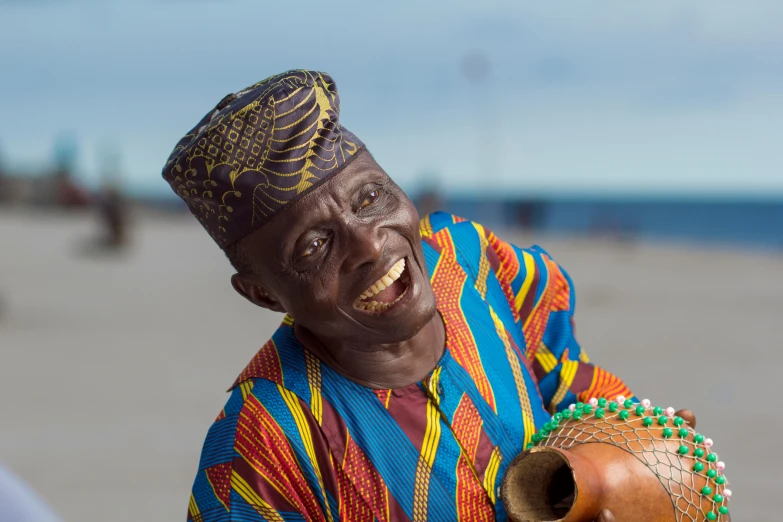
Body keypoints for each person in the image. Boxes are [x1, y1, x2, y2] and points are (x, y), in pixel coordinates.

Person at [162, 70, 694, 521]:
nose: (370, 243)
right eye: (315, 245)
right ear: (262, 293)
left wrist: (629, 445)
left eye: (370, 197)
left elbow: (570, 380)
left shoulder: (475, 262)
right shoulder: (262, 450)